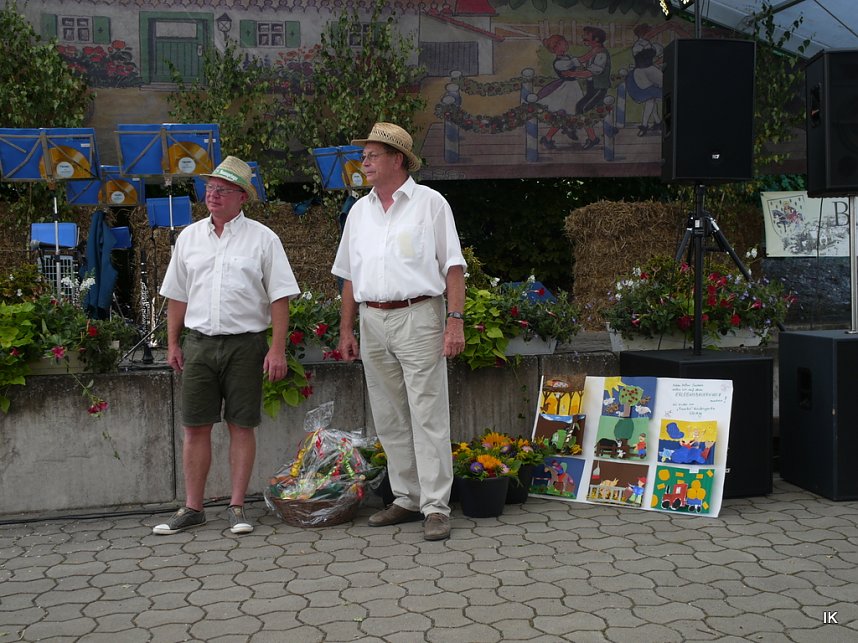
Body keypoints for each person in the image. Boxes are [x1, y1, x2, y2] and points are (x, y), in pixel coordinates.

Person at [332, 122, 466, 541]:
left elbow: (454, 267)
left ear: (398, 160)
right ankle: (406, 498)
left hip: (419, 315)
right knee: (389, 416)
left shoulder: (431, 204)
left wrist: (454, 321)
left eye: (373, 155)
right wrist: (346, 330)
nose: (365, 162)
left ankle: (436, 506)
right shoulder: (359, 210)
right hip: (373, 320)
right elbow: (350, 276)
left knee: (427, 414)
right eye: (365, 156)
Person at [152, 156, 300, 536]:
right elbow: (177, 296)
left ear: (242, 197)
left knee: (241, 425)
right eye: (209, 188)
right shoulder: (188, 238)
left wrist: (277, 349)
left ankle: (237, 506)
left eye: (222, 190)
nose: (213, 195)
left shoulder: (264, 239)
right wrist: (171, 342)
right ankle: (193, 507)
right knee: (194, 427)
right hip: (199, 343)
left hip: (246, 345)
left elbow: (280, 297)